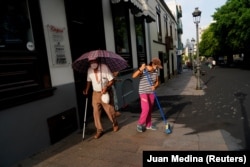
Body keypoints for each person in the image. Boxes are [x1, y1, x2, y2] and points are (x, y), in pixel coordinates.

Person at [83, 58, 119, 139]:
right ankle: (99, 130)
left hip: (105, 92)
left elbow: (112, 80)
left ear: (98, 61)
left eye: (94, 61)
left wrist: (106, 87)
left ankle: (115, 123)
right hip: (95, 93)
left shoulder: (104, 67)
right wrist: (87, 89)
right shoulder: (89, 70)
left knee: (110, 110)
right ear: (89, 63)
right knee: (96, 112)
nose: (93, 63)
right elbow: (89, 81)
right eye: (91, 62)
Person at [132, 58, 162, 132]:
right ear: (153, 64)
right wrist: (140, 69)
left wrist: (155, 86)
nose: (157, 67)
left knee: (149, 110)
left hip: (151, 92)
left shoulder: (156, 71)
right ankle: (140, 124)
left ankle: (148, 125)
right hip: (143, 92)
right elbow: (133, 76)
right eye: (157, 66)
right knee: (146, 108)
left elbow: (158, 82)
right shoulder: (144, 69)